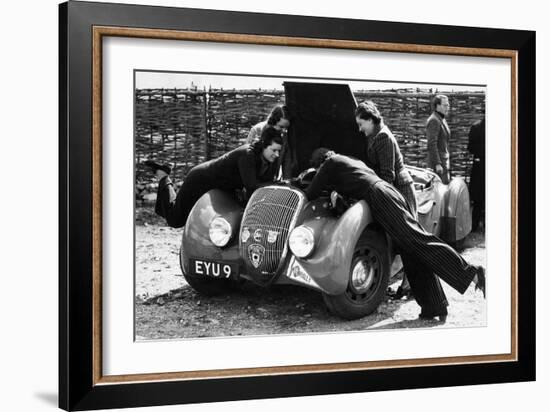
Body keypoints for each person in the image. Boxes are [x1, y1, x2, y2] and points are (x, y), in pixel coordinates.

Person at [306, 149, 486, 321]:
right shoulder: (350, 161)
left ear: (320, 162)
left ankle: (472, 273)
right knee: (411, 249)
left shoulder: (330, 163)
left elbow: (312, 192)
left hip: (379, 196)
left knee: (418, 241)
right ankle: (434, 305)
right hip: (389, 193)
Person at [146, 127, 283, 229]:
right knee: (176, 220)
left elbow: (265, 185)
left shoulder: (271, 160)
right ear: (264, 146)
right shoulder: (247, 155)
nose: (277, 154)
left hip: (221, 186)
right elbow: (252, 186)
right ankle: (163, 176)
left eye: (279, 151)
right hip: (200, 179)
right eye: (274, 150)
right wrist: (278, 185)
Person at [355, 101, 416, 298]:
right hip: (393, 189)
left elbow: (388, 175)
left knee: (409, 240)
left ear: (371, 120)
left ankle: (411, 288)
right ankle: (408, 287)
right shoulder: (373, 135)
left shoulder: (383, 137)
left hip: (401, 189)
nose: (359, 128)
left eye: (361, 123)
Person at [426, 94, 451, 184]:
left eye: (448, 105)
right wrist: (437, 163)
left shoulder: (441, 118)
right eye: (445, 105)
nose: (447, 107)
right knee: (439, 192)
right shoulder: (434, 120)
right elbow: (432, 144)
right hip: (438, 165)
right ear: (437, 106)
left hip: (443, 162)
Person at [468, 117, 486, 232]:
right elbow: (470, 147)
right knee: (478, 198)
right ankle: (474, 225)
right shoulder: (476, 127)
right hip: (480, 166)